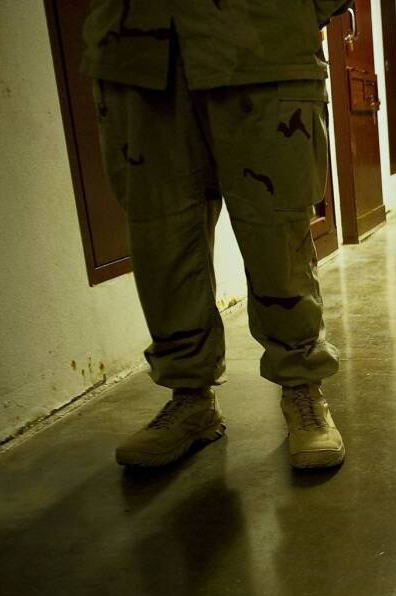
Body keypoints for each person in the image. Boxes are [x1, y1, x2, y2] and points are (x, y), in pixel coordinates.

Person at [82, 1, 354, 469]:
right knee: (161, 239)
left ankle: (302, 390)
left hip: (264, 42)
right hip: (136, 50)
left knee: (277, 233)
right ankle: (190, 399)